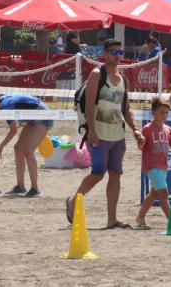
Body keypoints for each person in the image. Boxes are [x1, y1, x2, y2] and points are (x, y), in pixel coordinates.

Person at [66, 39, 144, 229]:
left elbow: (126, 109)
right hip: (99, 134)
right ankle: (73, 202)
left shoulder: (123, 78)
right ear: (106, 54)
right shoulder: (96, 74)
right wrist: (91, 130)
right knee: (98, 173)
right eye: (115, 52)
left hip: (118, 135)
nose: (119, 55)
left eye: (121, 51)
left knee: (116, 174)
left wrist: (135, 129)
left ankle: (112, 219)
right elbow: (90, 105)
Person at [0, 85, 52, 197]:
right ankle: (20, 187)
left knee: (28, 151)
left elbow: (13, 131)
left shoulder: (6, 105)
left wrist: (1, 147)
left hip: (43, 115)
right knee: (18, 149)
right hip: (33, 118)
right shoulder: (2, 103)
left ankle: (35, 189)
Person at [135, 96, 171, 229]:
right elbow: (140, 147)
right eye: (161, 112)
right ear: (153, 112)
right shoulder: (147, 129)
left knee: (154, 194)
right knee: (164, 194)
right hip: (152, 166)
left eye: (166, 113)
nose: (164, 115)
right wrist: (140, 143)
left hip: (163, 167)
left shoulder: (168, 129)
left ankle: (140, 217)